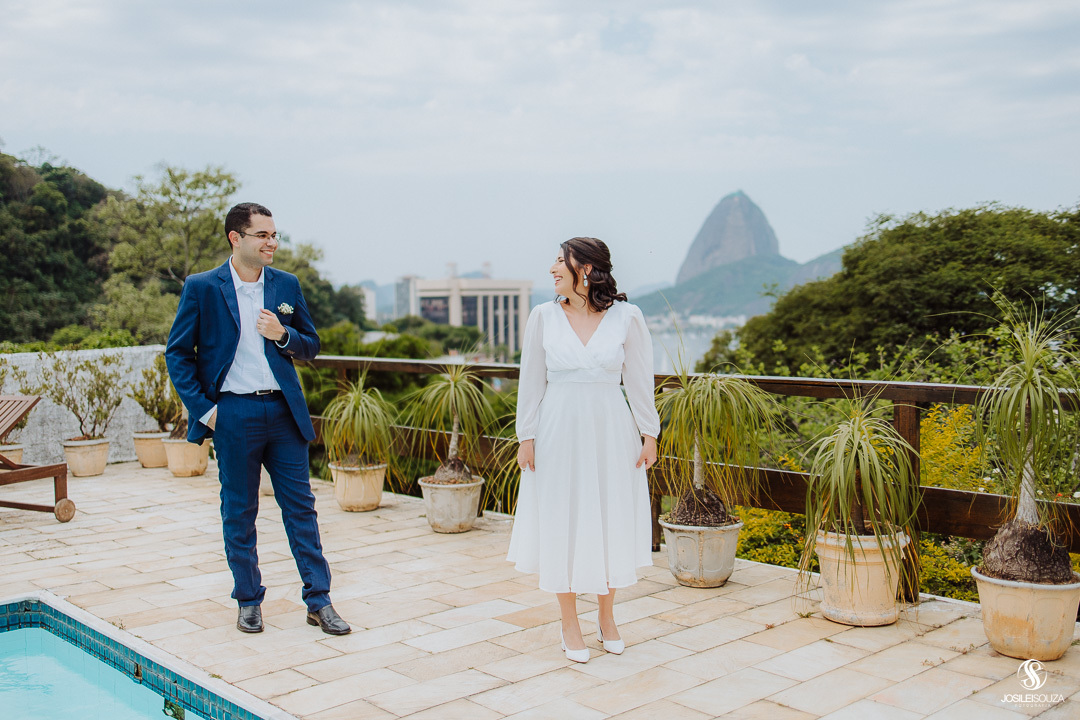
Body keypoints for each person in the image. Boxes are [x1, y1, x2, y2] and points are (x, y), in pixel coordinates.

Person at [165, 202, 350, 636]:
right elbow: (178, 353)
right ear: (236, 238)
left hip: (284, 413)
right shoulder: (202, 287)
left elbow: (311, 345)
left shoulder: (285, 284)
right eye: (262, 235)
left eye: (274, 234)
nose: (272, 243)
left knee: (301, 509)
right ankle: (248, 600)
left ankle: (319, 602)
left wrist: (282, 334)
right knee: (239, 510)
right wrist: (208, 412)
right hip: (233, 412)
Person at [506, 237, 659, 663]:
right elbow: (531, 382)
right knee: (562, 519)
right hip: (557, 430)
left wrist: (650, 433)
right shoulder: (543, 316)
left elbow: (640, 380)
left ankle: (607, 617)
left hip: (612, 431)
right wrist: (526, 436)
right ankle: (569, 622)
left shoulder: (628, 317)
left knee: (608, 517)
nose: (553, 268)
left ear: (586, 269)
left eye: (561, 261)